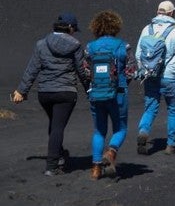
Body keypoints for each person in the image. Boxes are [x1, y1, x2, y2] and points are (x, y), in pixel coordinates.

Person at [12, 13, 90, 176]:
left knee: (55, 125)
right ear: (70, 28)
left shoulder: (41, 44)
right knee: (57, 127)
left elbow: (32, 69)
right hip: (66, 92)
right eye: (74, 29)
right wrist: (89, 89)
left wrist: (22, 90)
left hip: (45, 93)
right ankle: (52, 165)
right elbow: (82, 71)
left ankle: (59, 155)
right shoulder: (76, 45)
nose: (74, 32)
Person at [85, 10, 136, 180]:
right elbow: (131, 70)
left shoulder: (90, 47)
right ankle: (111, 152)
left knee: (99, 130)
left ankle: (96, 169)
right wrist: (121, 84)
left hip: (96, 94)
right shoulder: (123, 46)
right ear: (115, 26)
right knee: (120, 128)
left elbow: (86, 71)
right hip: (118, 94)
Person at [136, 0, 175, 155]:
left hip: (150, 76)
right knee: (173, 109)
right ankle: (171, 145)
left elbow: (139, 54)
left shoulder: (147, 29)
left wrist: (144, 70)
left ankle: (143, 131)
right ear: (172, 13)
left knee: (150, 107)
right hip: (170, 77)